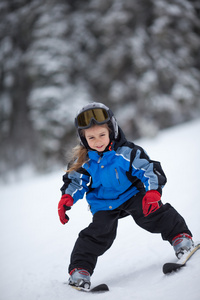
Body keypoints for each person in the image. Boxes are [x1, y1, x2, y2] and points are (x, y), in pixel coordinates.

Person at [58, 102, 194, 289]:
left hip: (132, 194)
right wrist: (67, 199)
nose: (97, 141)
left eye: (102, 135)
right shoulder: (84, 160)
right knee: (99, 233)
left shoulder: (127, 152)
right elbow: (74, 181)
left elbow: (148, 169)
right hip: (103, 203)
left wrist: (152, 192)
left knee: (151, 215)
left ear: (112, 131)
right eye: (91, 137)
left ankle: (181, 238)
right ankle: (80, 271)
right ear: (83, 138)